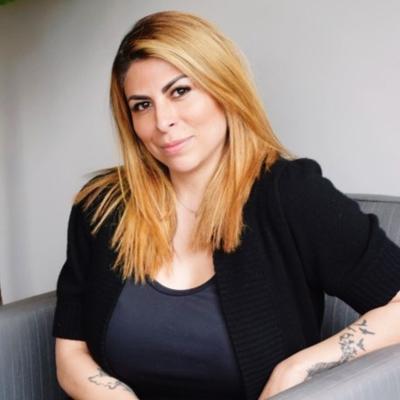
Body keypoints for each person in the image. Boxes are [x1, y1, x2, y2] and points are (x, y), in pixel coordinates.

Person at [52, 10, 400, 400]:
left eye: (180, 91)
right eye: (142, 105)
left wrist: (300, 367)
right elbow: (71, 353)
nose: (163, 121)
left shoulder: (290, 194)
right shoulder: (102, 206)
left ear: (224, 87)